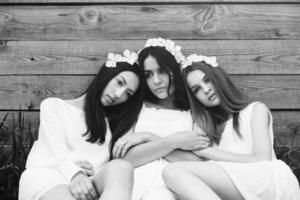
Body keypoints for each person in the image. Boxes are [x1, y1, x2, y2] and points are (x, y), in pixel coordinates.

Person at [162, 54, 300, 200]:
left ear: (219, 78)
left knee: (172, 172)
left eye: (208, 81)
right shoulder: (210, 127)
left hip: (268, 179)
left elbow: (261, 159)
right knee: (174, 178)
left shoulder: (255, 110)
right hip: (238, 184)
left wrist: (208, 153)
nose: (206, 90)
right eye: (197, 90)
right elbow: (197, 164)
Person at [19, 50, 145, 200]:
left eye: (128, 94)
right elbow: (54, 151)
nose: (119, 94)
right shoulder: (55, 106)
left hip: (90, 186)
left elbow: (111, 169)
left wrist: (147, 136)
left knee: (122, 167)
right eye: (119, 82)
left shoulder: (115, 126)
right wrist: (76, 173)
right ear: (107, 74)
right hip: (50, 177)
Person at [112, 38, 209, 200]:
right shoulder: (137, 108)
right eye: (148, 75)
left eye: (162, 71)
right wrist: (175, 142)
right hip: (134, 183)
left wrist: (147, 137)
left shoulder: (196, 112)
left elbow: (198, 162)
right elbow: (126, 158)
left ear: (174, 70)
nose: (156, 81)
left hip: (173, 186)